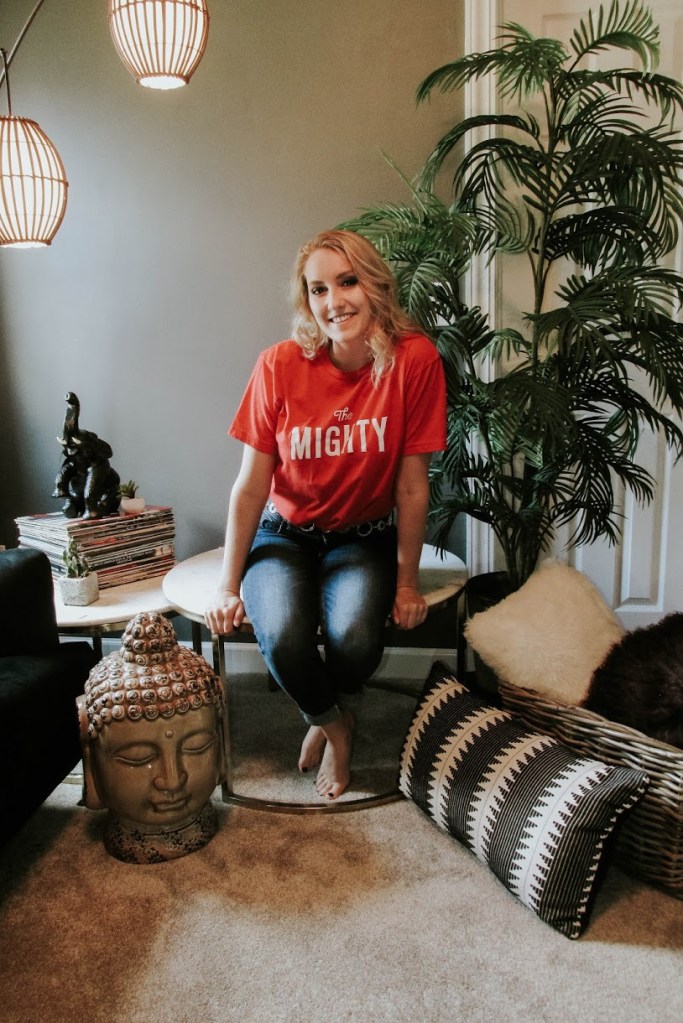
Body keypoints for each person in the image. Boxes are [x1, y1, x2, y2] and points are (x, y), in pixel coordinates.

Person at [204, 229, 446, 800]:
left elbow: (412, 488)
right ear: (306, 300)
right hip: (284, 536)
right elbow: (251, 486)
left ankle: (319, 710)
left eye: (347, 281)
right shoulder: (279, 366)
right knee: (283, 634)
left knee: (356, 639)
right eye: (317, 289)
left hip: (363, 539)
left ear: (375, 284)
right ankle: (336, 725)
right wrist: (226, 584)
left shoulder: (414, 361)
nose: (333, 301)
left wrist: (407, 582)